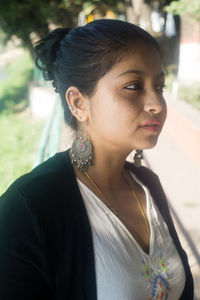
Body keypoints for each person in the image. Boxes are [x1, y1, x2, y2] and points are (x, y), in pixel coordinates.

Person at [0, 19, 193, 300]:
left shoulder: (148, 185)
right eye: (133, 86)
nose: (156, 104)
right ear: (78, 102)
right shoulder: (29, 208)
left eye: (159, 87)